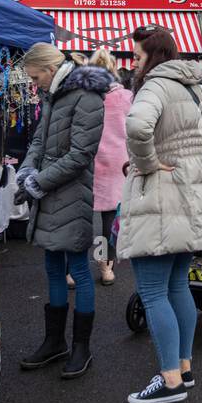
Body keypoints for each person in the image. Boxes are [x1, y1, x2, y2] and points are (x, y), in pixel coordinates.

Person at [116, 27, 202, 403]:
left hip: (160, 192)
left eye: (137, 57)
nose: (134, 64)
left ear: (153, 56)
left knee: (153, 291)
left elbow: (137, 126)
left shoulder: (154, 86)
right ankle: (183, 367)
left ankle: (170, 382)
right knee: (177, 286)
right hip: (191, 191)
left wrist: (146, 162)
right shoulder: (191, 86)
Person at [16, 44, 114, 378]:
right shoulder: (54, 95)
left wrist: (38, 181)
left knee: (79, 270)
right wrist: (26, 171)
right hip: (49, 194)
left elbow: (80, 155)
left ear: (49, 68)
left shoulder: (87, 96)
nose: (35, 84)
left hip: (72, 195)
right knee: (53, 268)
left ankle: (81, 348)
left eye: (35, 76)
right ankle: (54, 341)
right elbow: (39, 144)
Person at [87, 47, 130, 285]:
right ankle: (106, 266)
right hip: (117, 162)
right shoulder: (125, 97)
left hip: (88, 160)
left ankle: (72, 269)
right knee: (108, 218)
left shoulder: (86, 96)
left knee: (80, 217)